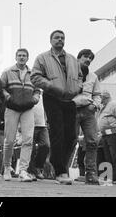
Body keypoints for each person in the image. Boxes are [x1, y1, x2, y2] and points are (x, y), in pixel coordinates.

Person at [31, 30, 85, 185]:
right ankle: (60, 171)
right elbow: (35, 76)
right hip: (52, 97)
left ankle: (56, 161)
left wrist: (77, 88)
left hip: (69, 99)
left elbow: (80, 76)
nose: (60, 40)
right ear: (51, 40)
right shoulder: (42, 58)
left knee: (71, 136)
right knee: (57, 133)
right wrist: (51, 86)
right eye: (57, 38)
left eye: (62, 38)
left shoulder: (73, 59)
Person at [0, 49, 41, 182]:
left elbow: (37, 89)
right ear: (15, 57)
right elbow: (1, 88)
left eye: (24, 56)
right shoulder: (7, 72)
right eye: (19, 55)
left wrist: (35, 99)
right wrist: (8, 98)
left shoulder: (33, 73)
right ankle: (6, 167)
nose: (22, 58)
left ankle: (23, 170)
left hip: (28, 109)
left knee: (28, 139)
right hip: (12, 108)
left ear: (27, 58)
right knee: (9, 140)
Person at [72, 49, 102, 185]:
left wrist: (95, 105)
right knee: (70, 141)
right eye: (85, 57)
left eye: (90, 58)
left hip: (88, 112)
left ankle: (91, 174)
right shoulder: (70, 73)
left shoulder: (93, 76)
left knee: (92, 141)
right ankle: (62, 172)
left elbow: (97, 94)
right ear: (78, 58)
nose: (88, 59)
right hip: (72, 110)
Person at [96, 90, 116, 185]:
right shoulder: (104, 107)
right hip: (105, 135)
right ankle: (113, 177)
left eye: (100, 98)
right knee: (108, 157)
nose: (99, 100)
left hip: (114, 134)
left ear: (104, 97)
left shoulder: (114, 104)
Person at [27, 94, 50, 181]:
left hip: (42, 125)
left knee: (46, 145)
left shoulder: (44, 92)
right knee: (30, 148)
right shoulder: (29, 89)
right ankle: (31, 171)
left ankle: (38, 167)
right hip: (29, 124)